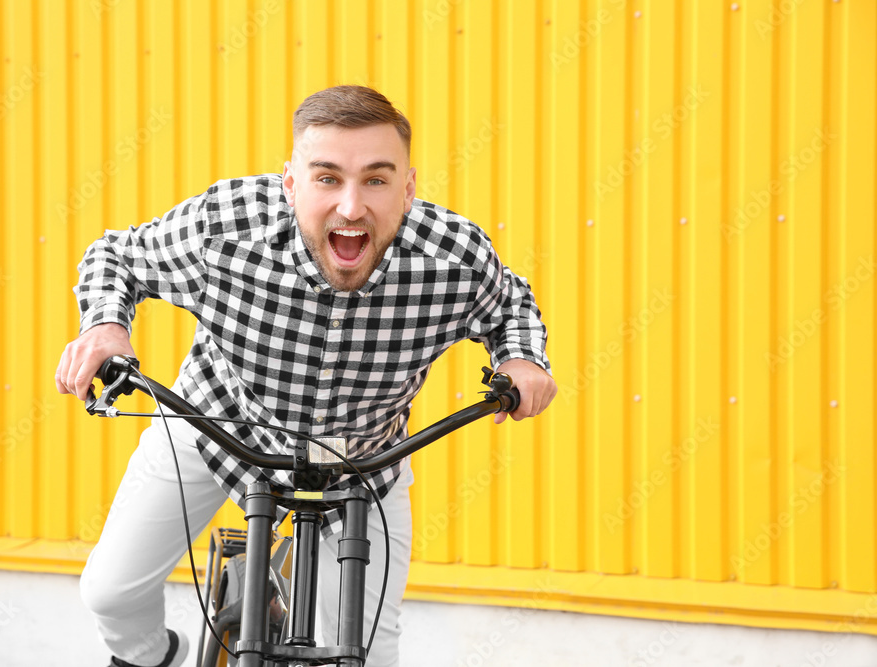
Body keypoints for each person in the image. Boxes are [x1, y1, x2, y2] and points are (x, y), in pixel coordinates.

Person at [55, 85, 556, 667]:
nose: (350, 207)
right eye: (326, 178)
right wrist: (106, 327)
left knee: (366, 655)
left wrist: (521, 358)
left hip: (362, 464)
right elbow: (116, 255)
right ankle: (156, 657)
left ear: (408, 187)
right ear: (290, 182)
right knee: (111, 594)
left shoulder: (452, 257)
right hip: (215, 427)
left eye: (376, 179)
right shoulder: (225, 228)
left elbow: (511, 305)